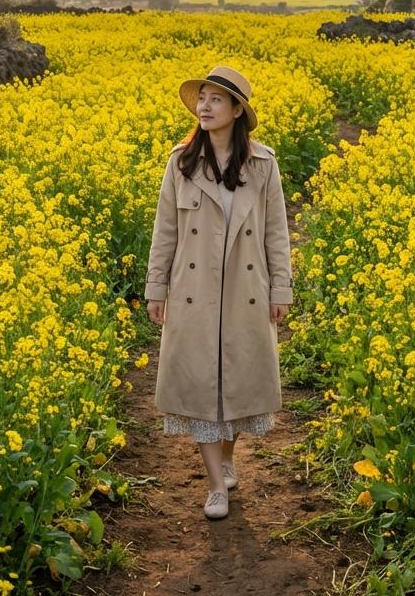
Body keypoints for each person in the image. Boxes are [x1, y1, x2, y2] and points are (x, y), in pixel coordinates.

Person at [145, 65, 293, 520]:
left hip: (247, 289)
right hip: (194, 290)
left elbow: (275, 232)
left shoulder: (263, 165)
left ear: (236, 112)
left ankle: (228, 456)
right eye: (202, 99)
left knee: (239, 382)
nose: (204, 107)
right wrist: (157, 286)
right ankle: (215, 485)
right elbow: (164, 230)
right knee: (199, 382)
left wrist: (281, 288)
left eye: (215, 100)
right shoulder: (181, 162)